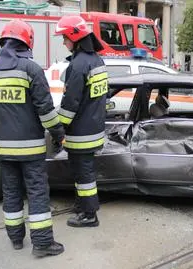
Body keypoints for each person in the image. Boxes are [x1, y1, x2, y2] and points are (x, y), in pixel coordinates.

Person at [0, 19, 65, 257]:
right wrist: (58, 135)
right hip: (31, 148)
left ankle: (16, 238)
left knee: (11, 191)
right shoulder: (31, 70)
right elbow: (46, 111)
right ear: (27, 41)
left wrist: (0, 133)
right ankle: (42, 243)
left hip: (5, 148)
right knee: (37, 192)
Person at [54, 15, 107, 227]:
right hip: (94, 128)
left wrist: (58, 129)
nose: (63, 42)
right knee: (84, 172)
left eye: (65, 37)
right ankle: (83, 205)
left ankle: (89, 214)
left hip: (80, 133)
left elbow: (70, 104)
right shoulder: (97, 61)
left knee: (84, 175)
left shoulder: (78, 65)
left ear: (75, 37)